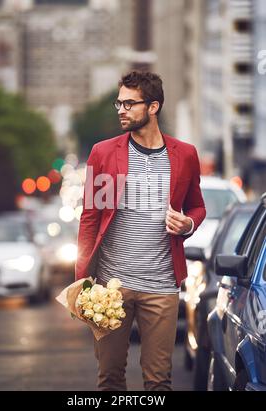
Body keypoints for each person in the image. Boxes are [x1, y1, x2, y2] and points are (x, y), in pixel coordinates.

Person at [75, 70, 206, 391]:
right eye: (119, 104)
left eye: (129, 104)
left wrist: (188, 223)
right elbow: (90, 217)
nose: (121, 110)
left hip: (161, 286)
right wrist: (83, 279)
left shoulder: (185, 155)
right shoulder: (103, 154)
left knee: (159, 381)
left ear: (153, 107)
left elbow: (197, 206)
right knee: (109, 379)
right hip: (109, 288)